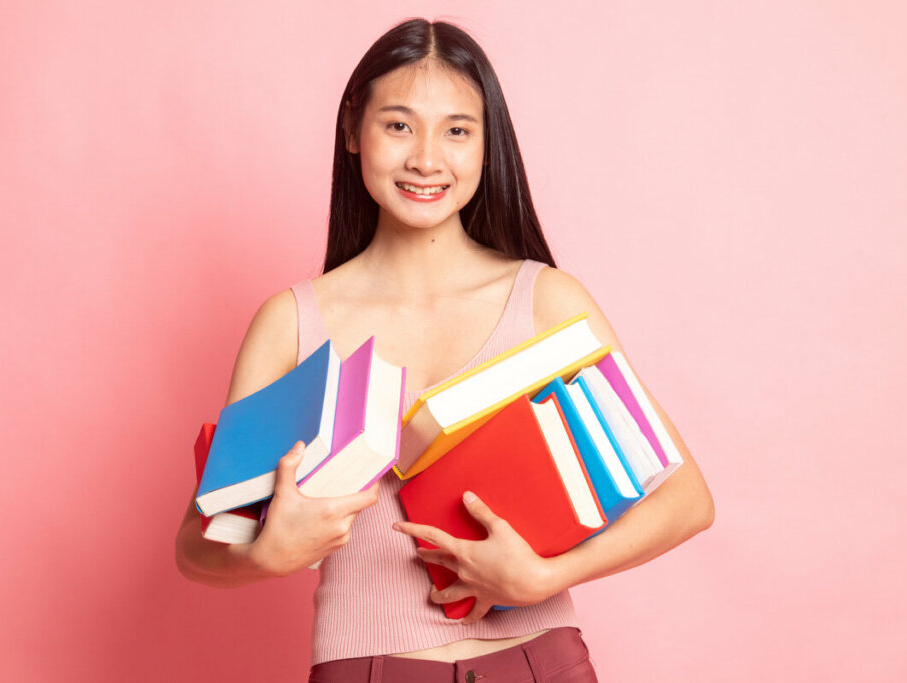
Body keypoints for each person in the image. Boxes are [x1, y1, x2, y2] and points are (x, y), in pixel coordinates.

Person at [175, 18, 714, 682]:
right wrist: (265, 554)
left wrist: (544, 573)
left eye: (457, 130)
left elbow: (687, 497)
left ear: (489, 147)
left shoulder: (546, 301)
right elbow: (195, 546)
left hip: (539, 659)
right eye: (399, 125)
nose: (427, 159)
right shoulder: (292, 323)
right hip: (364, 668)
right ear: (352, 130)